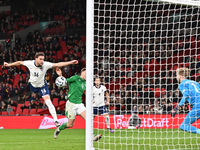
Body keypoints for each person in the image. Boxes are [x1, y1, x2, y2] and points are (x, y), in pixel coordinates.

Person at [4, 52, 78, 127]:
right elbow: (19, 62)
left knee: (49, 102)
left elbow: (58, 64)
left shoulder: (45, 64)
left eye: (43, 59)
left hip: (42, 86)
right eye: (40, 59)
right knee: (25, 92)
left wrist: (71, 62)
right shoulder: (30, 63)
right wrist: (9, 64)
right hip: (33, 86)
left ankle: (56, 120)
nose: (42, 61)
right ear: (36, 59)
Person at [54, 68, 102, 141]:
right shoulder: (75, 78)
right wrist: (60, 75)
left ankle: (92, 136)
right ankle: (59, 128)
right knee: (70, 125)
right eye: (86, 73)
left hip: (79, 105)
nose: (87, 75)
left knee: (89, 119)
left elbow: (85, 93)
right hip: (71, 104)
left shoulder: (85, 83)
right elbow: (65, 81)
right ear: (82, 72)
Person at [171, 67, 200, 134]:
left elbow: (186, 95)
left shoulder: (182, 84)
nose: (176, 77)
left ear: (180, 75)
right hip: (197, 104)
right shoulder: (195, 83)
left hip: (198, 106)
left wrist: (177, 108)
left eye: (176, 75)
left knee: (184, 126)